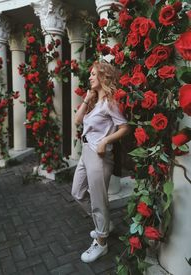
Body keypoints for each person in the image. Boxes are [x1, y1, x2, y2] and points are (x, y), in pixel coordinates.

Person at [71, 60, 129, 263]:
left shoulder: (110, 103)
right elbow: (78, 121)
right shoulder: (94, 102)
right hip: (86, 152)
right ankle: (104, 224)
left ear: (104, 76)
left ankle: (102, 242)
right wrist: (87, 99)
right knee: (77, 192)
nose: (90, 77)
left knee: (98, 201)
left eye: (94, 74)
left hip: (99, 155)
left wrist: (105, 140)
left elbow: (124, 127)